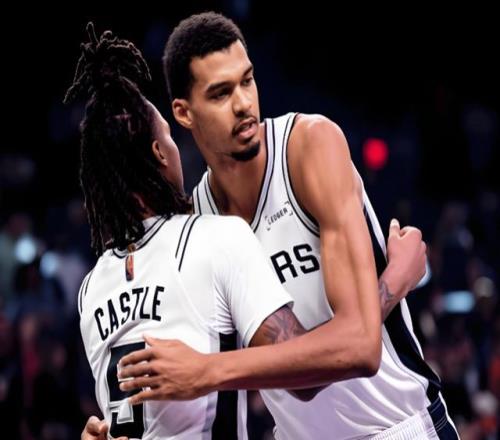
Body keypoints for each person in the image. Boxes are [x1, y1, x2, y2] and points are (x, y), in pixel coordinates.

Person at [71, 24, 426, 440]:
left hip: (395, 426)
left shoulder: (308, 147)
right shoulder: (199, 227)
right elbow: (175, 371)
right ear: (183, 113)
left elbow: (361, 347)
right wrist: (393, 283)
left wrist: (207, 372)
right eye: (221, 93)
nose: (243, 104)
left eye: (247, 80)